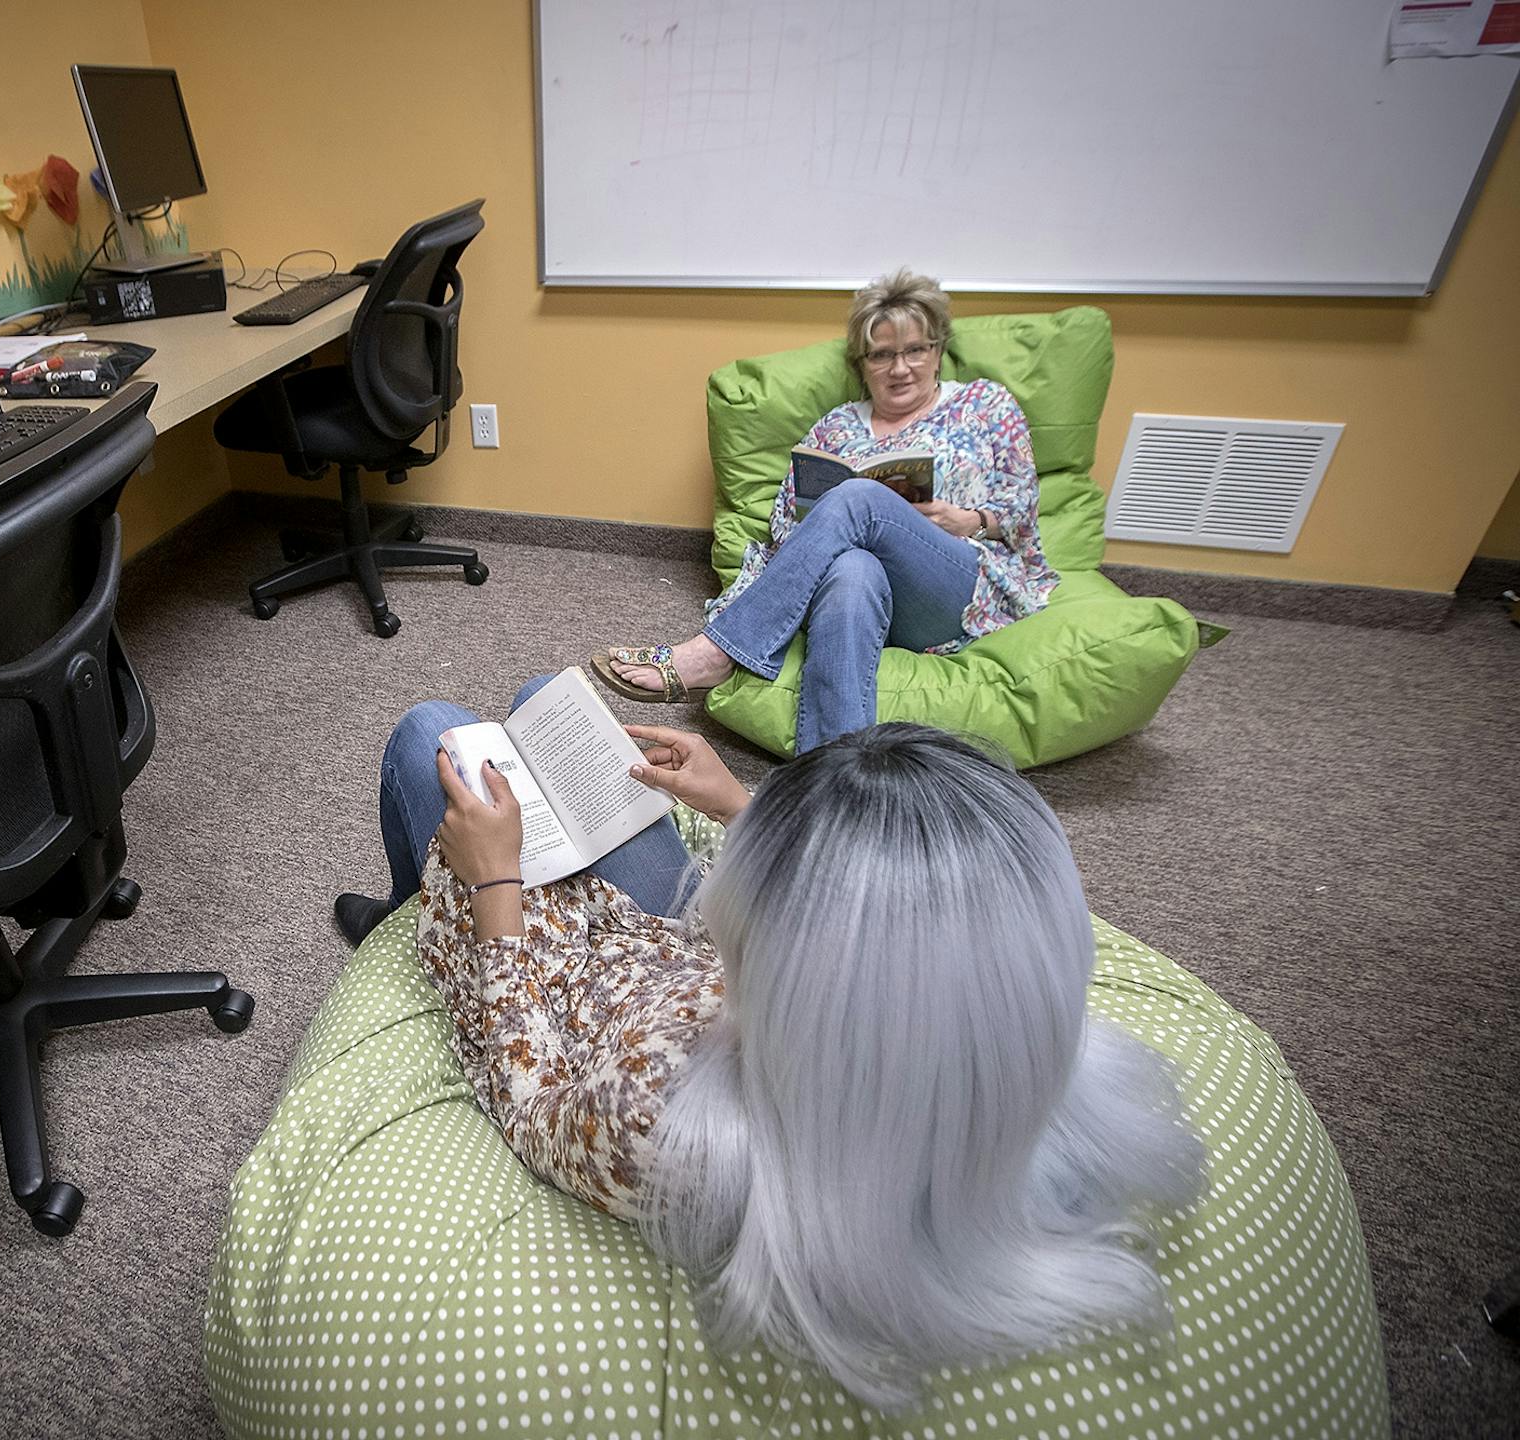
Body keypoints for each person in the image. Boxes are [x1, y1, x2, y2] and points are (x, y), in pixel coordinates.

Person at [344, 706, 1204, 1411]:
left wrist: (493, 882)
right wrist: (743, 808)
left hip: (553, 966)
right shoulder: (982, 1053)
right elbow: (885, 930)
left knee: (434, 736)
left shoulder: (669, 1124)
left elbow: (532, 1107)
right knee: (559, 707)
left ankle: (399, 910)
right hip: (654, 944)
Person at [596, 269, 1058, 754]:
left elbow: (1019, 509)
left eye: (915, 350)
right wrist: (825, 523)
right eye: (882, 354)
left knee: (859, 498)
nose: (900, 368)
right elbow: (783, 525)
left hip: (951, 583)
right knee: (852, 569)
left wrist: (968, 520)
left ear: (938, 350)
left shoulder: (984, 404)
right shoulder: (835, 427)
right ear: (862, 363)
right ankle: (829, 779)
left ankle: (717, 650)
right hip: (861, 587)